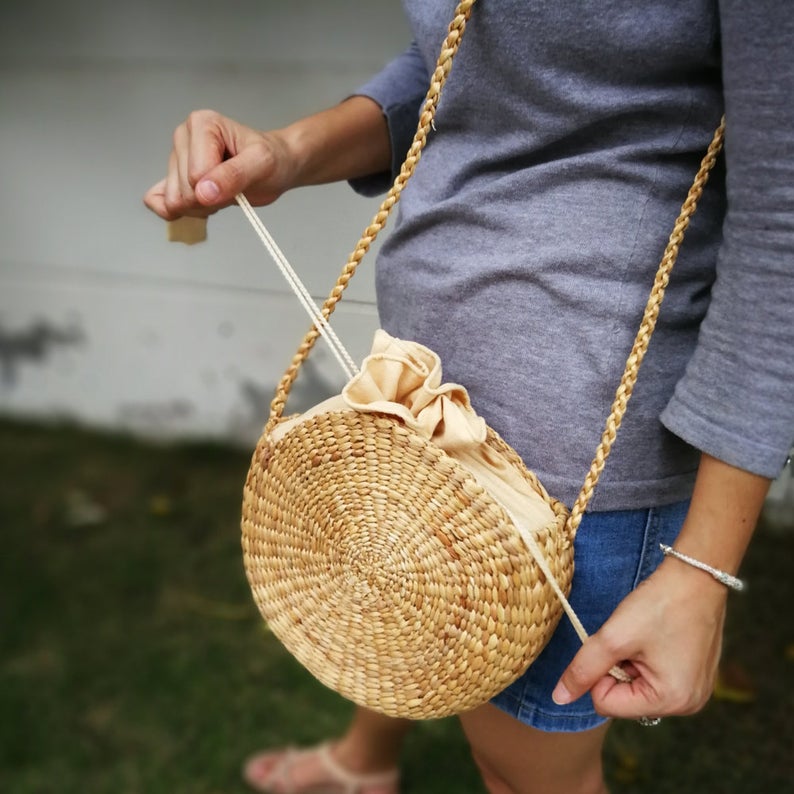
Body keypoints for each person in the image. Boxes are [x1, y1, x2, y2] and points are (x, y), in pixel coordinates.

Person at [144, 2, 793, 792]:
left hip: (573, 438)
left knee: (522, 769)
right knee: (403, 609)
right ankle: (365, 761)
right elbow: (469, 62)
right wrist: (287, 151)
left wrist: (702, 571)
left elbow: (782, 225)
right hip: (423, 367)